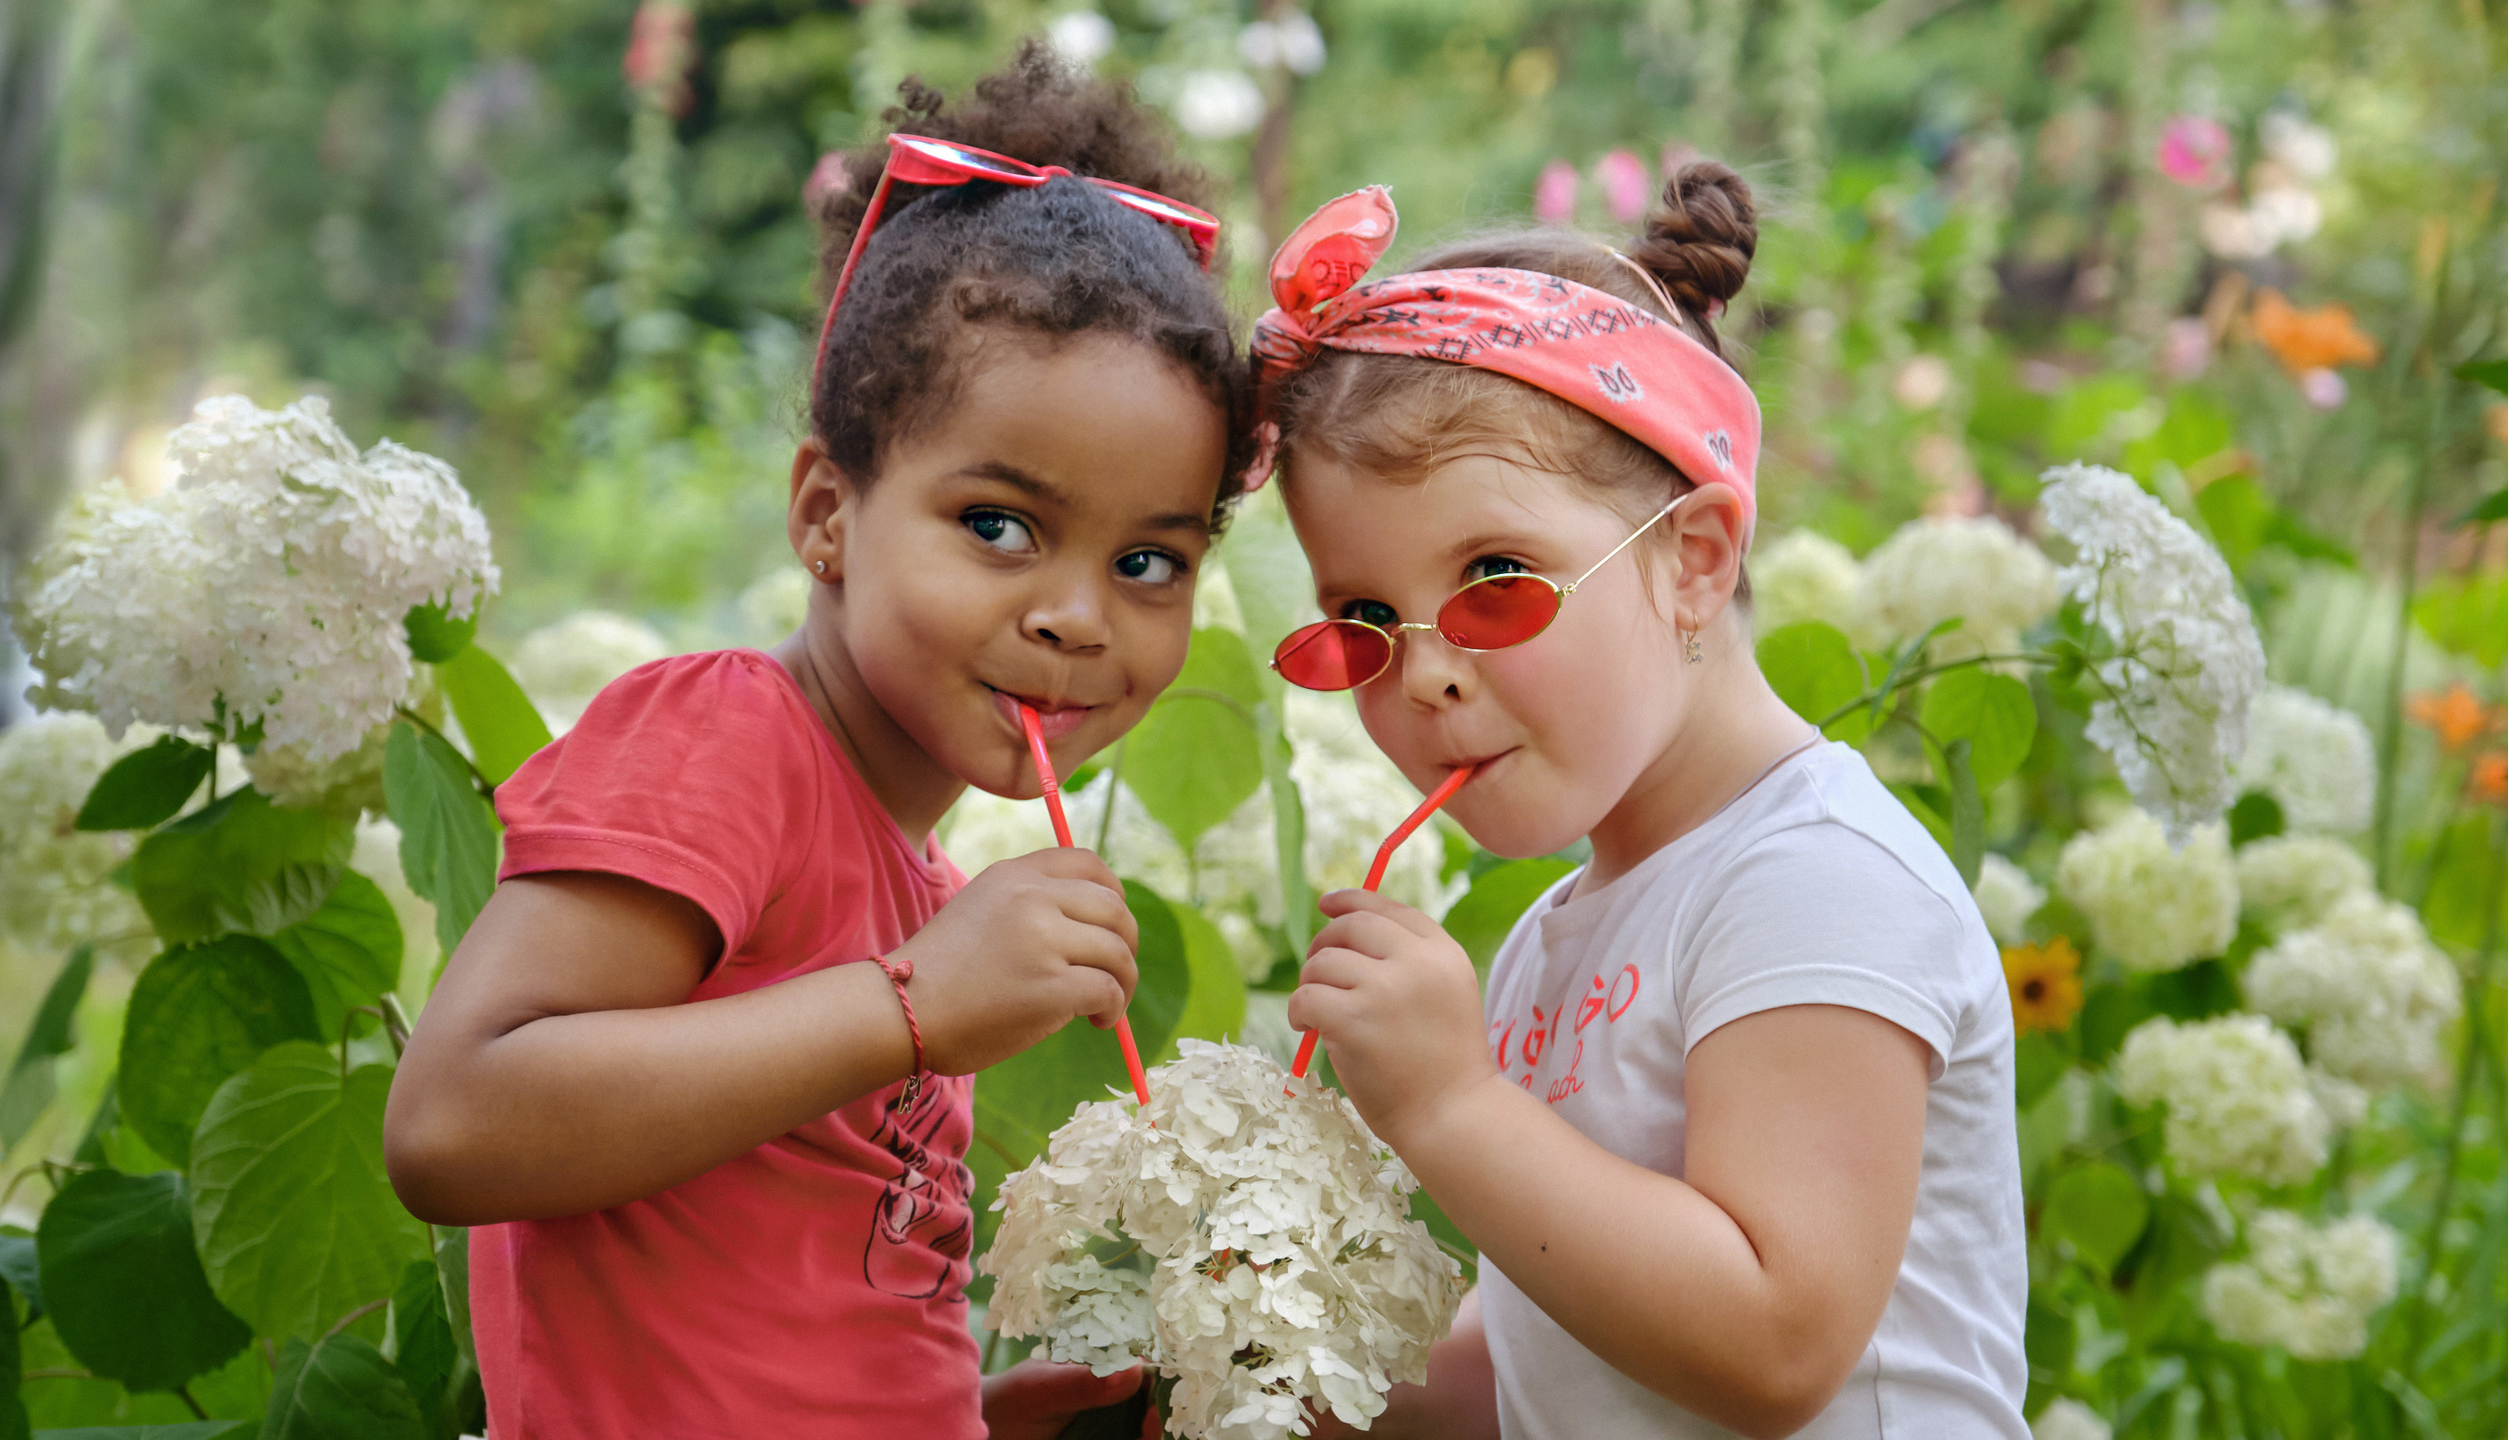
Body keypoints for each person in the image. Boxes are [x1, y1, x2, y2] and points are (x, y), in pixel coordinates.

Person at [383, 44, 1253, 1440]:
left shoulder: (917, 888)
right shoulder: (728, 740)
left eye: (1152, 560)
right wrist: (913, 1006)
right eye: (999, 526)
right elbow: (454, 1124)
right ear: (825, 514)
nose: (1078, 618)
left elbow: (791, 1320)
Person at [1259, 170, 2026, 1439]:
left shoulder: (1809, 878)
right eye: (1362, 621)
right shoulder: (1561, 933)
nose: (1428, 671)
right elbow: (1553, 1352)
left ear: (1694, 561)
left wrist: (1451, 1105)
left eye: (1495, 578)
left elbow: (1773, 1348)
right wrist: (1265, 1403)